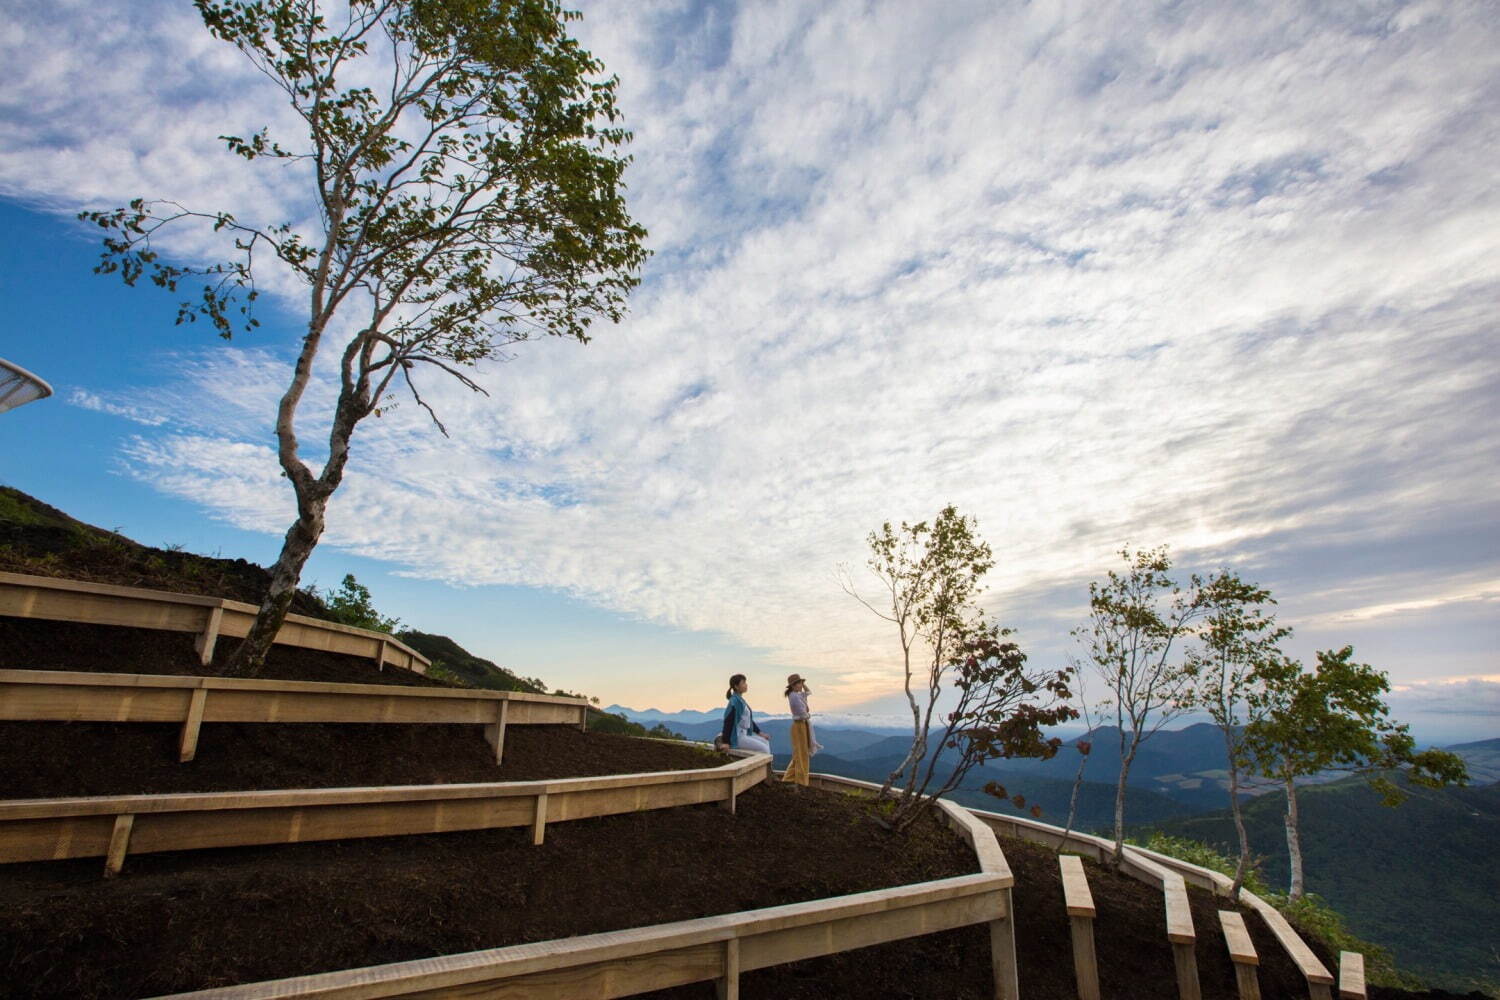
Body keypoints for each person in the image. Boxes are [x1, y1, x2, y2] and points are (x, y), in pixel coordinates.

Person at [781, 673, 824, 786]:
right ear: (794, 685)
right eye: (799, 683)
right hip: (799, 725)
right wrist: (809, 715)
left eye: (801, 682)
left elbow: (809, 692)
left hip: (801, 725)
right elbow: (803, 714)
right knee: (802, 756)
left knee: (798, 755)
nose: (801, 685)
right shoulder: (794, 696)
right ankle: (802, 783)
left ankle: (787, 779)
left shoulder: (797, 694)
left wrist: (804, 684)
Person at [720, 673, 771, 753]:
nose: (746, 685)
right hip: (738, 737)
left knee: (765, 741)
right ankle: (764, 765)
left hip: (744, 734)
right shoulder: (735, 701)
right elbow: (728, 721)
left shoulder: (740, 700)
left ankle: (766, 765)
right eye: (743, 683)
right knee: (764, 749)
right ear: (736, 686)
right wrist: (726, 742)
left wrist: (760, 733)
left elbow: (749, 720)